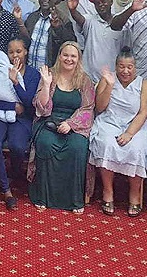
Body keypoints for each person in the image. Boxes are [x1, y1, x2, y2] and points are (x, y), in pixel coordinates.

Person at [28, 41, 96, 213]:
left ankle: (74, 200)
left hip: (75, 125)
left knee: (78, 147)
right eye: (65, 55)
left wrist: (71, 124)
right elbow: (42, 108)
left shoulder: (85, 80)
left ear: (78, 59)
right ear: (59, 56)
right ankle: (42, 196)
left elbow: (88, 109)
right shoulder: (50, 74)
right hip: (48, 121)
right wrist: (45, 84)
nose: (69, 59)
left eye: (73, 56)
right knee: (45, 143)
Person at [88, 48, 147, 217]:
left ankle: (134, 194)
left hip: (135, 124)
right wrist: (109, 85)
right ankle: (108, 192)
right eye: (121, 67)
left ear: (135, 68)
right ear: (116, 66)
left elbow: (144, 112)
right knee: (107, 143)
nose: (125, 71)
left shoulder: (143, 83)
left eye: (129, 67)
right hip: (109, 121)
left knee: (136, 147)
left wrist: (130, 133)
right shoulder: (108, 79)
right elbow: (99, 108)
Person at [0, 41, 40, 210]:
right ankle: (6, 189)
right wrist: (11, 107)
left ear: (26, 52)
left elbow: (29, 104)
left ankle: (13, 174)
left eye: (19, 51)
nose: (15, 55)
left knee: (17, 146)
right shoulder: (0, 70)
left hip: (22, 119)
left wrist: (16, 82)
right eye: (11, 52)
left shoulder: (32, 74)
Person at [66, 0, 123, 83]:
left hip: (111, 80)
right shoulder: (90, 20)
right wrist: (72, 10)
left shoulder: (120, 23)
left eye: (103, 1)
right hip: (88, 78)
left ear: (111, 2)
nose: (101, 4)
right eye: (97, 3)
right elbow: (80, 19)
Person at [21, 0, 75, 69]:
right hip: (30, 70)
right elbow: (25, 41)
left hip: (50, 72)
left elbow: (70, 43)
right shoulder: (32, 17)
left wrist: (58, 28)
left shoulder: (63, 19)